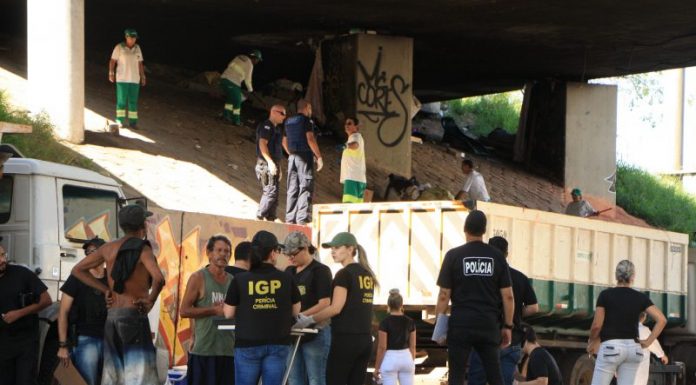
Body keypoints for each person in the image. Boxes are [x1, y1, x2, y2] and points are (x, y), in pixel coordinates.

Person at [72, 204, 165, 385]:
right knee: (139, 375)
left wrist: (105, 289)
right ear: (143, 226)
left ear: (123, 226)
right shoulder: (144, 250)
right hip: (133, 316)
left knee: (114, 375)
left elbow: (78, 269)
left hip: (112, 318)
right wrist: (150, 300)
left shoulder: (108, 248)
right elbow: (159, 279)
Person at [432, 210, 514, 385]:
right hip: (488, 325)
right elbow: (508, 297)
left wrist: (439, 326)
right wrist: (507, 326)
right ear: (484, 231)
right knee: (494, 376)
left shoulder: (453, 256)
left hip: (460, 325)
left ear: (465, 228)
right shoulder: (497, 257)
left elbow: (443, 295)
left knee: (456, 376)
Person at [293, 232, 378, 385]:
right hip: (365, 339)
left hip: (345, 339)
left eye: (337, 248)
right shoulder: (367, 274)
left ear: (351, 249)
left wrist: (309, 320)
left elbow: (335, 308)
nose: (333, 251)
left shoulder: (344, 274)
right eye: (331, 248)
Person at [223, 231, 301, 385]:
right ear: (272, 253)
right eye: (277, 251)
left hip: (247, 343)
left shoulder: (240, 279)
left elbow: (228, 313)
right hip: (278, 342)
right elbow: (296, 311)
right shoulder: (286, 278)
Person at [468, 236, 539, 385]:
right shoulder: (520, 277)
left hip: (484, 338)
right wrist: (515, 313)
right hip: (512, 341)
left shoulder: (482, 277)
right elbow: (534, 307)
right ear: (507, 254)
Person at [586, 260, 667, 385]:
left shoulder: (605, 295)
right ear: (633, 277)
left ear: (616, 276)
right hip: (633, 349)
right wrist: (648, 342)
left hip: (611, 348)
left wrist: (591, 342)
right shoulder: (640, 297)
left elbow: (597, 325)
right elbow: (661, 320)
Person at [180, 235, 235, 385]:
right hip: (204, 350)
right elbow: (184, 311)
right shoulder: (198, 278)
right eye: (219, 250)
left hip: (228, 351)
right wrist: (213, 310)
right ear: (209, 253)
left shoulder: (233, 281)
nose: (223, 254)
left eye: (227, 251)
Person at [282, 231, 333, 385]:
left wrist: (301, 316)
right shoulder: (289, 271)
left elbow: (325, 303)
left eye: (293, 254)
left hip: (316, 331)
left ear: (305, 248)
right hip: (293, 332)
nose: (290, 258)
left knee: (315, 378)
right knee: (294, 378)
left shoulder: (321, 271)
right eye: (287, 255)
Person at [56, 237, 108, 385]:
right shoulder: (77, 277)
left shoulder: (112, 277)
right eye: (88, 252)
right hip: (86, 339)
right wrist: (62, 346)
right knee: (85, 381)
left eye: (95, 251)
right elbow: (63, 312)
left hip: (111, 340)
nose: (91, 254)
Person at [0, 243, 52, 385]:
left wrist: (19, 313)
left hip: (26, 341)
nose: (2, 260)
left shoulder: (21, 273)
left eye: (3, 255)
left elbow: (47, 300)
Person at [283, 99, 323, 224]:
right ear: (307, 107)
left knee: (292, 188)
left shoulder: (288, 121)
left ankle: (290, 219)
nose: (311, 111)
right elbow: (310, 139)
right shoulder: (307, 121)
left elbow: (284, 141)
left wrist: (290, 154)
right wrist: (319, 156)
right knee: (305, 187)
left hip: (292, 158)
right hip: (305, 157)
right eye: (310, 109)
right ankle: (302, 219)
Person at [374, 289, 416, 385]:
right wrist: (411, 362)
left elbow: (382, 347)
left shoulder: (384, 322)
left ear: (388, 305)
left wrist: (377, 368)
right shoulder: (410, 322)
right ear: (401, 305)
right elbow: (412, 346)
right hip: (406, 358)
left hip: (390, 359)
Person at [109, 28, 146, 129]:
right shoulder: (119, 47)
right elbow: (112, 61)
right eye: (131, 37)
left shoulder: (137, 48)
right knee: (121, 100)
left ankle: (133, 122)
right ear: (126, 37)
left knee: (133, 101)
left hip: (134, 79)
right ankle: (119, 120)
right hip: (122, 78)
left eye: (135, 38)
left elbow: (140, 63)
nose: (133, 40)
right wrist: (111, 72)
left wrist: (142, 76)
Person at [256, 105, 287, 221]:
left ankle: (270, 219)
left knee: (275, 196)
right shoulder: (266, 126)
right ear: (273, 112)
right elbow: (262, 144)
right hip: (266, 163)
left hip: (274, 163)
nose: (284, 117)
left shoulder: (277, 129)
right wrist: (270, 162)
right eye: (282, 113)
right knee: (270, 192)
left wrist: (279, 168)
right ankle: (259, 216)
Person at [220, 49, 262, 125]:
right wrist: (250, 90)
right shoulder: (250, 64)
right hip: (232, 82)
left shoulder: (239, 56)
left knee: (231, 99)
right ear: (254, 58)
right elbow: (248, 79)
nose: (257, 62)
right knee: (238, 101)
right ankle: (236, 121)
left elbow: (229, 65)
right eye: (258, 60)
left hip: (223, 80)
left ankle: (225, 116)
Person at [635, 312, 669, 385]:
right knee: (639, 380)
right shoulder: (643, 329)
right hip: (640, 361)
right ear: (644, 318)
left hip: (625, 361)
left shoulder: (625, 330)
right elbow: (653, 344)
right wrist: (662, 355)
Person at [340, 117, 367, 203]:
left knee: (348, 207)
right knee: (356, 210)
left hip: (352, 178)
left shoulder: (355, 136)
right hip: (359, 179)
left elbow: (355, 145)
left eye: (349, 123)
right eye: (346, 124)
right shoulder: (355, 138)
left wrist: (346, 146)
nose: (346, 125)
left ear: (356, 127)